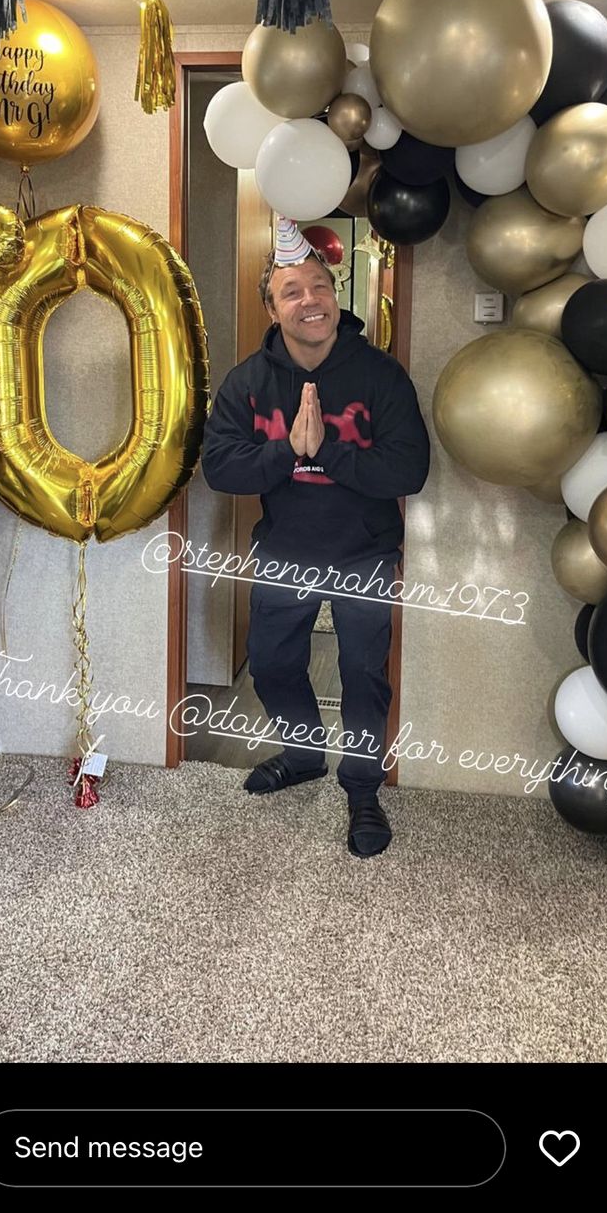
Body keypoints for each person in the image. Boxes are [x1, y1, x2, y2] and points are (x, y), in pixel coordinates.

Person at [201, 215, 430, 857]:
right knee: (272, 663)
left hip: (364, 551)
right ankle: (303, 758)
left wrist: (328, 451)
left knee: (363, 673)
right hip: (285, 550)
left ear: (335, 296)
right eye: (292, 291)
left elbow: (409, 468)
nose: (310, 300)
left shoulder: (379, 376)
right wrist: (284, 452)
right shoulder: (249, 382)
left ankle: (362, 787)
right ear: (273, 309)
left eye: (319, 286)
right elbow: (220, 467)